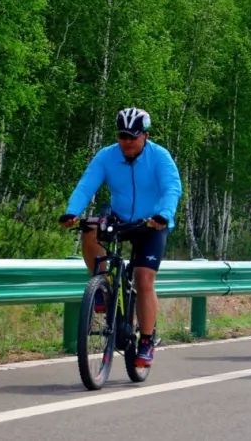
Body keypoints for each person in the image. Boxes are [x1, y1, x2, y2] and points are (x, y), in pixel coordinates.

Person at [59, 107, 182, 368]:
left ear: (145, 136)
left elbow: (172, 188)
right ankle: (102, 286)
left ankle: (147, 339)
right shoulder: (107, 156)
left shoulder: (160, 157)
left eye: (132, 137)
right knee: (89, 228)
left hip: (152, 222)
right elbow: (86, 184)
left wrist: (164, 214)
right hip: (120, 217)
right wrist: (72, 211)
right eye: (122, 136)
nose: (126, 142)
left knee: (143, 277)